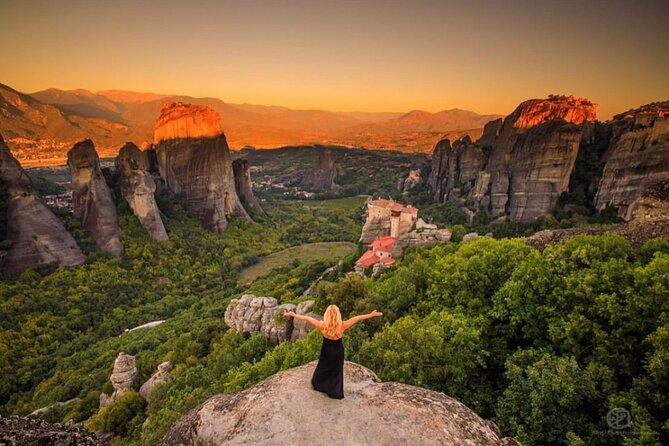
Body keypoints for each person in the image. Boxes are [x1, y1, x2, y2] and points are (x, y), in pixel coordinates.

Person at [285, 305, 383, 399]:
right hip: (337, 351)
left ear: (326, 315)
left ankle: (320, 385)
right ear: (338, 315)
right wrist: (371, 315)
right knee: (336, 371)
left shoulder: (322, 325)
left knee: (323, 367)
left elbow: (307, 318)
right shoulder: (342, 325)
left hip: (326, 350)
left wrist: (294, 315)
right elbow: (357, 318)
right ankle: (334, 392)